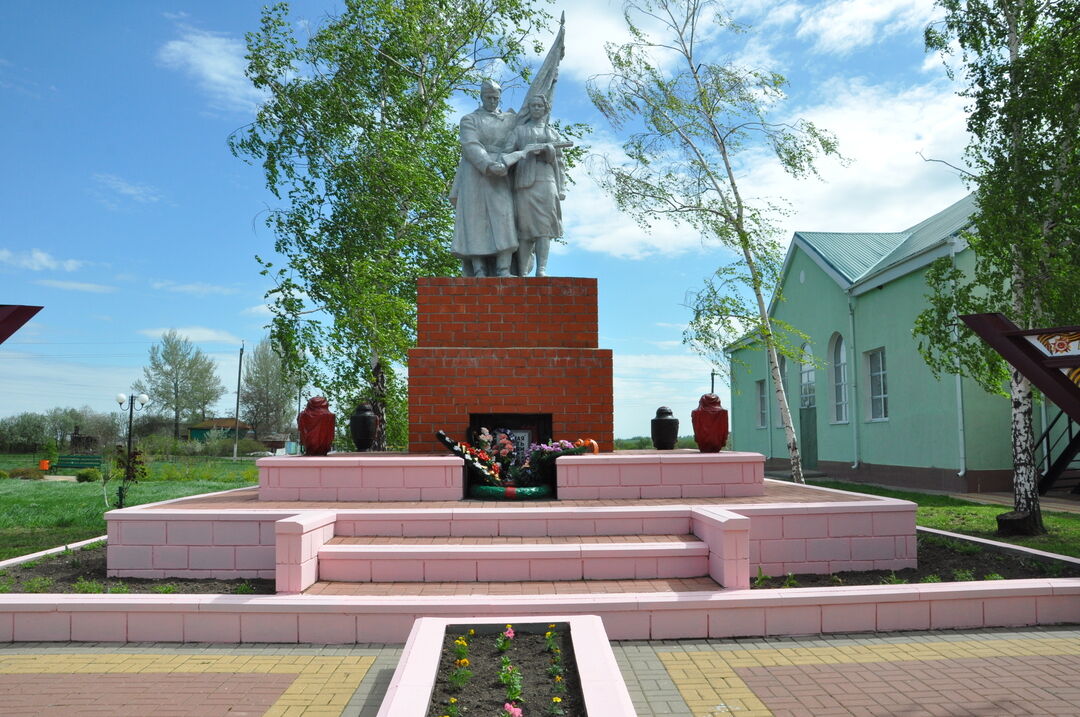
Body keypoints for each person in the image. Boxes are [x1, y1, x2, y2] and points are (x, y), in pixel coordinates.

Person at [449, 80, 517, 277]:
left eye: (496, 98)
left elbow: (518, 139)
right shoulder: (469, 119)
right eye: (488, 97)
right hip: (475, 172)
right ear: (481, 97)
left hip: (503, 169)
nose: (492, 101)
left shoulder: (509, 119)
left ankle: (504, 268)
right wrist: (487, 164)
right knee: (475, 219)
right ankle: (478, 269)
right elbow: (470, 144)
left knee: (504, 217)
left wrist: (506, 161)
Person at [504, 94, 566, 277]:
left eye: (540, 106)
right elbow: (507, 153)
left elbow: (560, 163)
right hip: (524, 183)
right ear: (529, 109)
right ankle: (522, 272)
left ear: (545, 108)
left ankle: (541, 269)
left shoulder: (552, 133)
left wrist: (550, 152)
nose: (536, 109)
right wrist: (524, 152)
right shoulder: (519, 131)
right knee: (525, 229)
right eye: (533, 106)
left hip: (547, 181)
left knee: (544, 228)